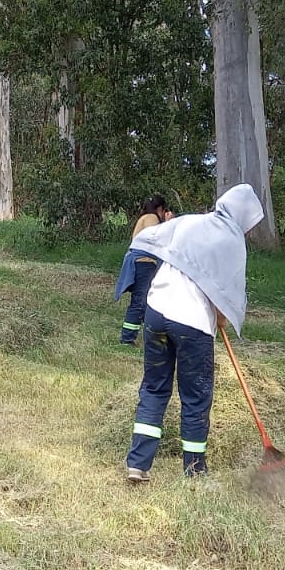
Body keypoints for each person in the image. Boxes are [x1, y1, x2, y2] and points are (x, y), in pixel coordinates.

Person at [121, 183, 265, 481]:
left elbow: (155, 238)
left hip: (157, 312)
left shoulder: (194, 221)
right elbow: (226, 290)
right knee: (196, 396)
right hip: (191, 323)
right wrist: (223, 316)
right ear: (244, 216)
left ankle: (138, 464)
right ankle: (195, 471)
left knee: (154, 387)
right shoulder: (231, 238)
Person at [114, 195, 175, 345]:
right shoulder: (151, 218)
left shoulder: (145, 217)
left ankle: (148, 336)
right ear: (160, 209)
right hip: (144, 263)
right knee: (140, 302)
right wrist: (169, 223)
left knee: (145, 303)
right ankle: (127, 338)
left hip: (142, 263)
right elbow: (157, 238)